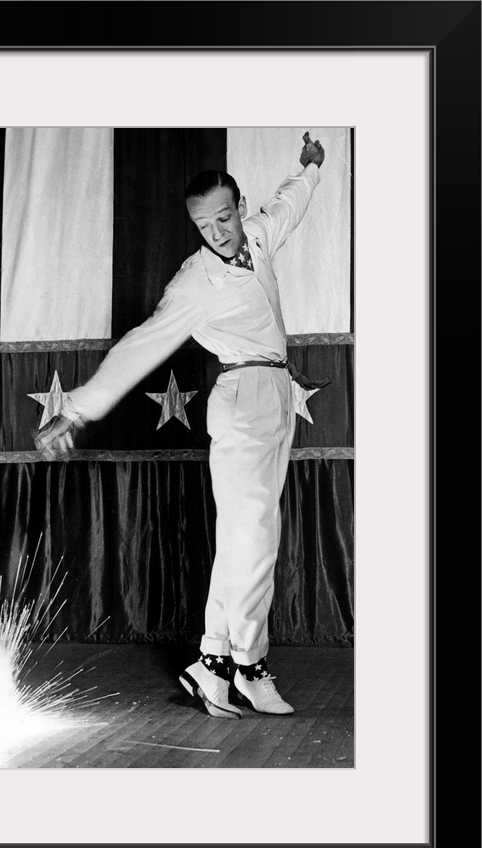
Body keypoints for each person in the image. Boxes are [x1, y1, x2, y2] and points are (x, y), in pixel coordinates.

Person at [35, 132, 326, 719]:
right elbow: (139, 346)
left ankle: (220, 661)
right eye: (203, 225)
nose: (216, 232)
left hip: (275, 393)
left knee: (248, 538)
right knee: (254, 539)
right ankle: (239, 663)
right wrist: (77, 409)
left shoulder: (258, 235)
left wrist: (311, 167)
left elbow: (289, 203)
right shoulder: (193, 283)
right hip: (242, 401)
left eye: (224, 217)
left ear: (239, 208)